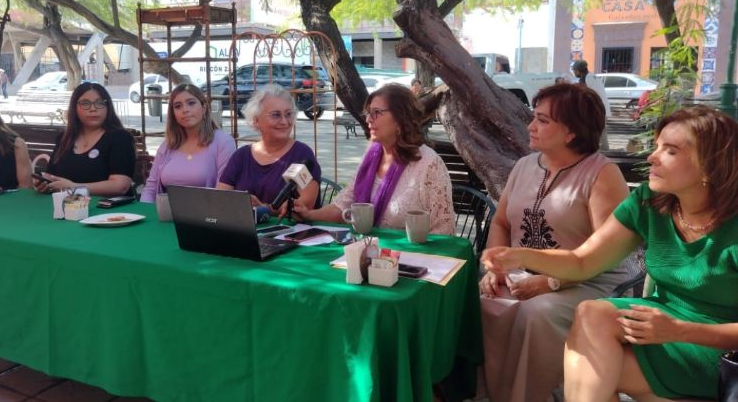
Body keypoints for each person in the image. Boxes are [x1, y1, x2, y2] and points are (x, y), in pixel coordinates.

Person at [482, 105, 738, 401]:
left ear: (710, 165)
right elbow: (582, 261)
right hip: (660, 330)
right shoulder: (650, 202)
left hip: (718, 352)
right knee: (591, 317)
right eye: (656, 147)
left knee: (584, 361)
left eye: (670, 151)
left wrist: (679, 331)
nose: (651, 157)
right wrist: (520, 256)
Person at [478, 83, 631, 402]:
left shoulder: (602, 174)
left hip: (589, 280)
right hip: (523, 276)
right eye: (534, 118)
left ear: (572, 132)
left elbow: (606, 254)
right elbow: (502, 222)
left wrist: (550, 281)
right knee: (482, 299)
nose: (531, 126)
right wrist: (495, 270)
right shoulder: (523, 167)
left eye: (543, 120)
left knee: (538, 313)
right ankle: (488, 394)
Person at [293, 84, 456, 235]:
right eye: (368, 113)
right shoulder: (371, 157)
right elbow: (344, 206)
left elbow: (444, 230)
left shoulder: (428, 163)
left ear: (400, 119)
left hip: (412, 260)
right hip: (369, 252)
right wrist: (308, 214)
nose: (368, 119)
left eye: (376, 113)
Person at [218, 85, 321, 211]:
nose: (284, 121)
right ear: (256, 121)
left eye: (289, 114)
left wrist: (263, 209)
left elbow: (304, 205)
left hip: (289, 229)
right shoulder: (241, 156)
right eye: (276, 115)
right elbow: (221, 198)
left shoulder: (302, 154)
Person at [35, 82, 136, 196]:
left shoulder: (120, 138)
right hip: (66, 206)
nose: (93, 108)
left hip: (108, 209)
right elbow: (52, 177)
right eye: (85, 103)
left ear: (108, 107)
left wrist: (75, 188)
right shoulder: (64, 138)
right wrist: (45, 183)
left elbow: (120, 186)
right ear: (75, 108)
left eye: (99, 103)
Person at [140, 84, 235, 202]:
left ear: (204, 108)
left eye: (191, 103)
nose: (185, 110)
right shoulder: (167, 145)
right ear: (173, 114)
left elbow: (224, 193)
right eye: (178, 106)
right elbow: (151, 189)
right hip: (165, 216)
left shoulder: (223, 142)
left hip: (206, 217)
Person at [572, 60, 611, 150]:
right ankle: (604, 151)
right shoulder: (592, 76)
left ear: (578, 70)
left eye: (574, 71)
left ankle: (602, 152)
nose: (574, 73)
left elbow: (579, 91)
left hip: (597, 109)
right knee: (600, 131)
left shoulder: (585, 78)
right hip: (602, 108)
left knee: (594, 131)